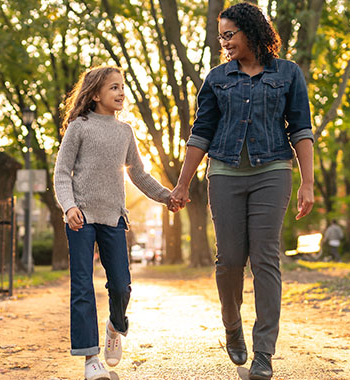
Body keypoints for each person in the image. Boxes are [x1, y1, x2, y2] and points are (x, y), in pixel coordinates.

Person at [169, 3, 315, 380]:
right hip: (224, 173)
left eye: (229, 35)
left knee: (265, 259)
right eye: (221, 37)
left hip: (273, 171)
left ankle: (264, 352)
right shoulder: (217, 78)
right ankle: (232, 325)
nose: (225, 43)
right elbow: (200, 133)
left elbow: (301, 129)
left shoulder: (288, 74)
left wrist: (308, 183)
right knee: (230, 260)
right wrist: (183, 183)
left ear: (251, 31)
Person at [54, 66, 179, 380]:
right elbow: (61, 173)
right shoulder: (79, 127)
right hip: (81, 219)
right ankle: (89, 358)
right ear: (96, 94)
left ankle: (115, 326)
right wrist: (68, 207)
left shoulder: (125, 132)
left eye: (122, 87)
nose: (121, 92)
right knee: (82, 286)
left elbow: (138, 174)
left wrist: (167, 196)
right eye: (113, 87)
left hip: (114, 218)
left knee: (121, 285)